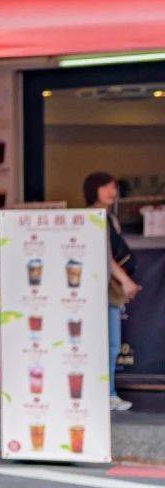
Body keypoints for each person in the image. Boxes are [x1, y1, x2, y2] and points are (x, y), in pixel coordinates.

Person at [86, 171, 141, 412]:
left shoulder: (110, 218)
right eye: (105, 187)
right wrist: (125, 281)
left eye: (114, 187)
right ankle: (104, 394)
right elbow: (104, 256)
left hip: (108, 288)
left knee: (110, 344)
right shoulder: (92, 217)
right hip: (98, 289)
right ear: (93, 190)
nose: (111, 192)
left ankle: (106, 393)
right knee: (106, 344)